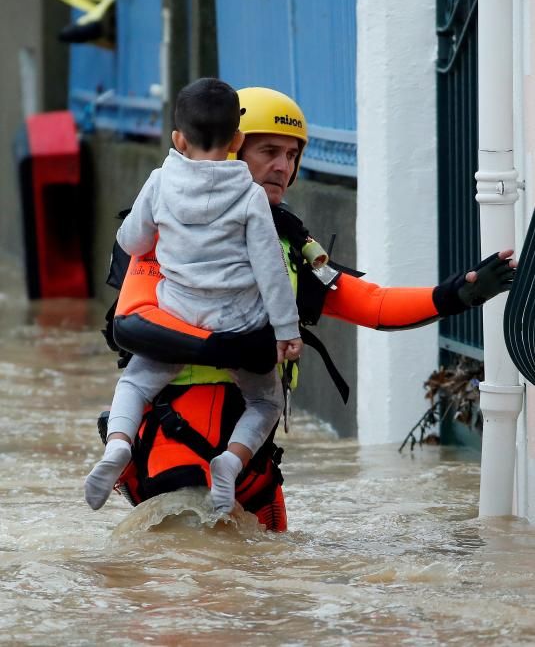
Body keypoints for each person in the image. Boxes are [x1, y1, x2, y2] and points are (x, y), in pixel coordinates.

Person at [97, 86, 515, 531]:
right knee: (185, 586)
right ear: (234, 146)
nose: (284, 166)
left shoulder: (293, 250)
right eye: (270, 151)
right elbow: (135, 324)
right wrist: (231, 347)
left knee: (274, 586)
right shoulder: (165, 233)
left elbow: (372, 305)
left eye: (293, 156)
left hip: (247, 462)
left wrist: (454, 295)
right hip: (175, 444)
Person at [85, 78, 303, 513]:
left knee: (135, 382)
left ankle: (119, 445)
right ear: (237, 140)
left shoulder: (160, 181)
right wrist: (286, 331)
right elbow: (271, 270)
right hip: (238, 325)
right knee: (265, 401)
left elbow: (131, 241)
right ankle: (230, 462)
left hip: (179, 320)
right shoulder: (248, 194)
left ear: (177, 139)